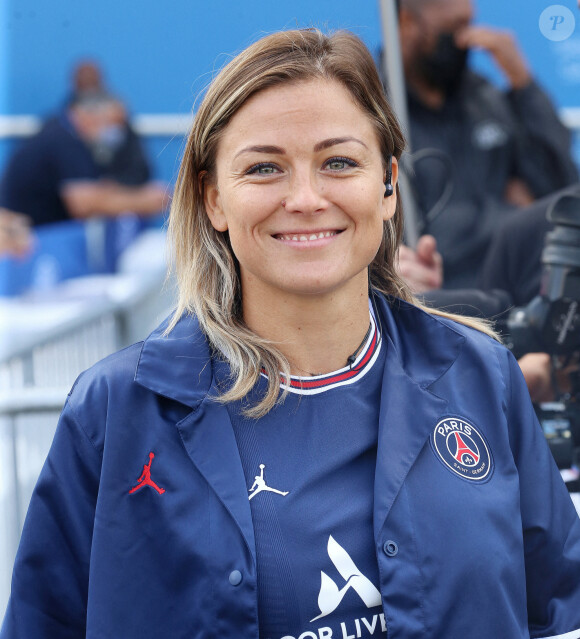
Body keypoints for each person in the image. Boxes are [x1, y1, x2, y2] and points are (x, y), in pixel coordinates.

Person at [2, 28, 580, 639]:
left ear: (386, 186)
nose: (305, 198)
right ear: (214, 200)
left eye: (338, 162)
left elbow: (560, 616)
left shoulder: (481, 375)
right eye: (264, 167)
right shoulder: (118, 409)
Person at [398, 0, 579, 288]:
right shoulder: (375, 109)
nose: (464, 39)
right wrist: (511, 214)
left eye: (468, 24)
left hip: (518, 296)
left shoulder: (487, 99)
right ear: (406, 23)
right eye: (452, 28)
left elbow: (562, 192)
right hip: (435, 298)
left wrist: (524, 85)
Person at [0, 91, 168, 227]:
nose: (114, 131)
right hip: (27, 238)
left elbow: (96, 188)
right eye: (113, 123)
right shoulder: (63, 140)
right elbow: (82, 204)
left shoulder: (62, 132)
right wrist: (145, 201)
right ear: (90, 115)